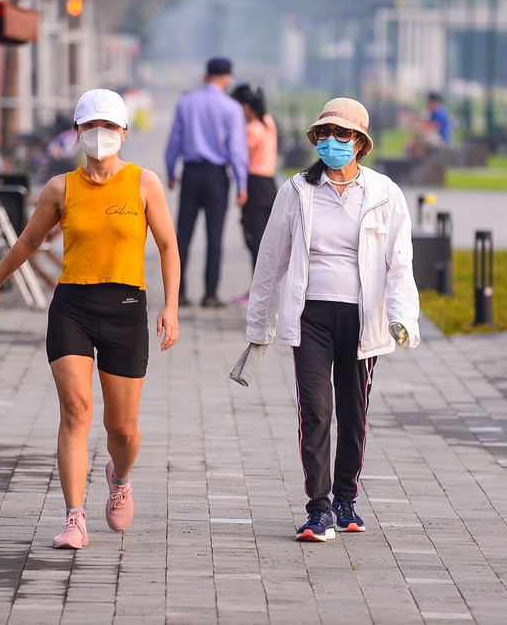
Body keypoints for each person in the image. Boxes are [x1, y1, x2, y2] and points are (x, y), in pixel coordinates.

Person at [0, 88, 180, 549]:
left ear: (124, 132)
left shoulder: (145, 184)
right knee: (76, 411)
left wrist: (171, 306)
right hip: (72, 309)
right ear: (77, 132)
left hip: (126, 310)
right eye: (91, 127)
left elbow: (168, 245)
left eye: (108, 127)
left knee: (121, 429)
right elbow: (28, 242)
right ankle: (74, 517)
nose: (100, 135)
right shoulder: (59, 188)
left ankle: (119, 476)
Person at [244, 97, 421, 542]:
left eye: (343, 134)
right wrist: (259, 327)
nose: (332, 141)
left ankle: (345, 499)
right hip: (312, 317)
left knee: (353, 413)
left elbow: (400, 264)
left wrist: (402, 318)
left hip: (363, 319)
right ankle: (318, 509)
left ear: (360, 143)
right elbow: (271, 261)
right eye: (325, 133)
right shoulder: (297, 191)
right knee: (317, 412)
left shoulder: (383, 193)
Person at [165, 57, 249, 308]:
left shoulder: (186, 102)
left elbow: (174, 141)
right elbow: (236, 150)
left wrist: (171, 172)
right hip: (216, 177)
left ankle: (178, 293)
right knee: (215, 237)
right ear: (228, 78)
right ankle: (210, 294)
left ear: (206, 75)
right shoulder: (231, 108)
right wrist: (241, 183)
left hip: (191, 174)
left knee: (183, 235)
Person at [229, 83, 278, 305]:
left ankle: (258, 293)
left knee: (254, 240)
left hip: (255, 185)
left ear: (245, 106)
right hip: (268, 183)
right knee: (263, 240)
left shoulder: (252, 130)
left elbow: (239, 157)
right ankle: (260, 291)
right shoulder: (268, 122)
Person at [406, 92, 453, 159]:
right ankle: (415, 161)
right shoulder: (433, 112)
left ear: (434, 102)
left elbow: (434, 127)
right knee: (413, 142)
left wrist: (419, 129)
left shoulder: (441, 112)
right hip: (434, 137)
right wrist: (414, 120)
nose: (428, 105)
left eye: (429, 103)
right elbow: (425, 123)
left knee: (420, 140)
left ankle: (420, 162)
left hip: (442, 139)